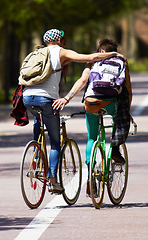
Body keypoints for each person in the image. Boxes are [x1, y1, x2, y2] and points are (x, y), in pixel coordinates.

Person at [22, 31, 125, 194]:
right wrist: (114, 53)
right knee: (55, 143)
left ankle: (36, 153)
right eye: (63, 39)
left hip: (27, 97)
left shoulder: (35, 53)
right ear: (59, 40)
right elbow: (90, 58)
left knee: (38, 119)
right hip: (46, 100)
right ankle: (53, 181)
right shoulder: (62, 51)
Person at [53, 38, 132, 195]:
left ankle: (90, 176)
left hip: (92, 102)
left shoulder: (93, 63)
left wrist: (67, 98)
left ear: (101, 51)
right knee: (119, 122)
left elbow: (82, 81)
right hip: (111, 103)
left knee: (92, 138)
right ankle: (115, 149)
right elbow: (127, 88)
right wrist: (127, 111)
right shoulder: (121, 61)